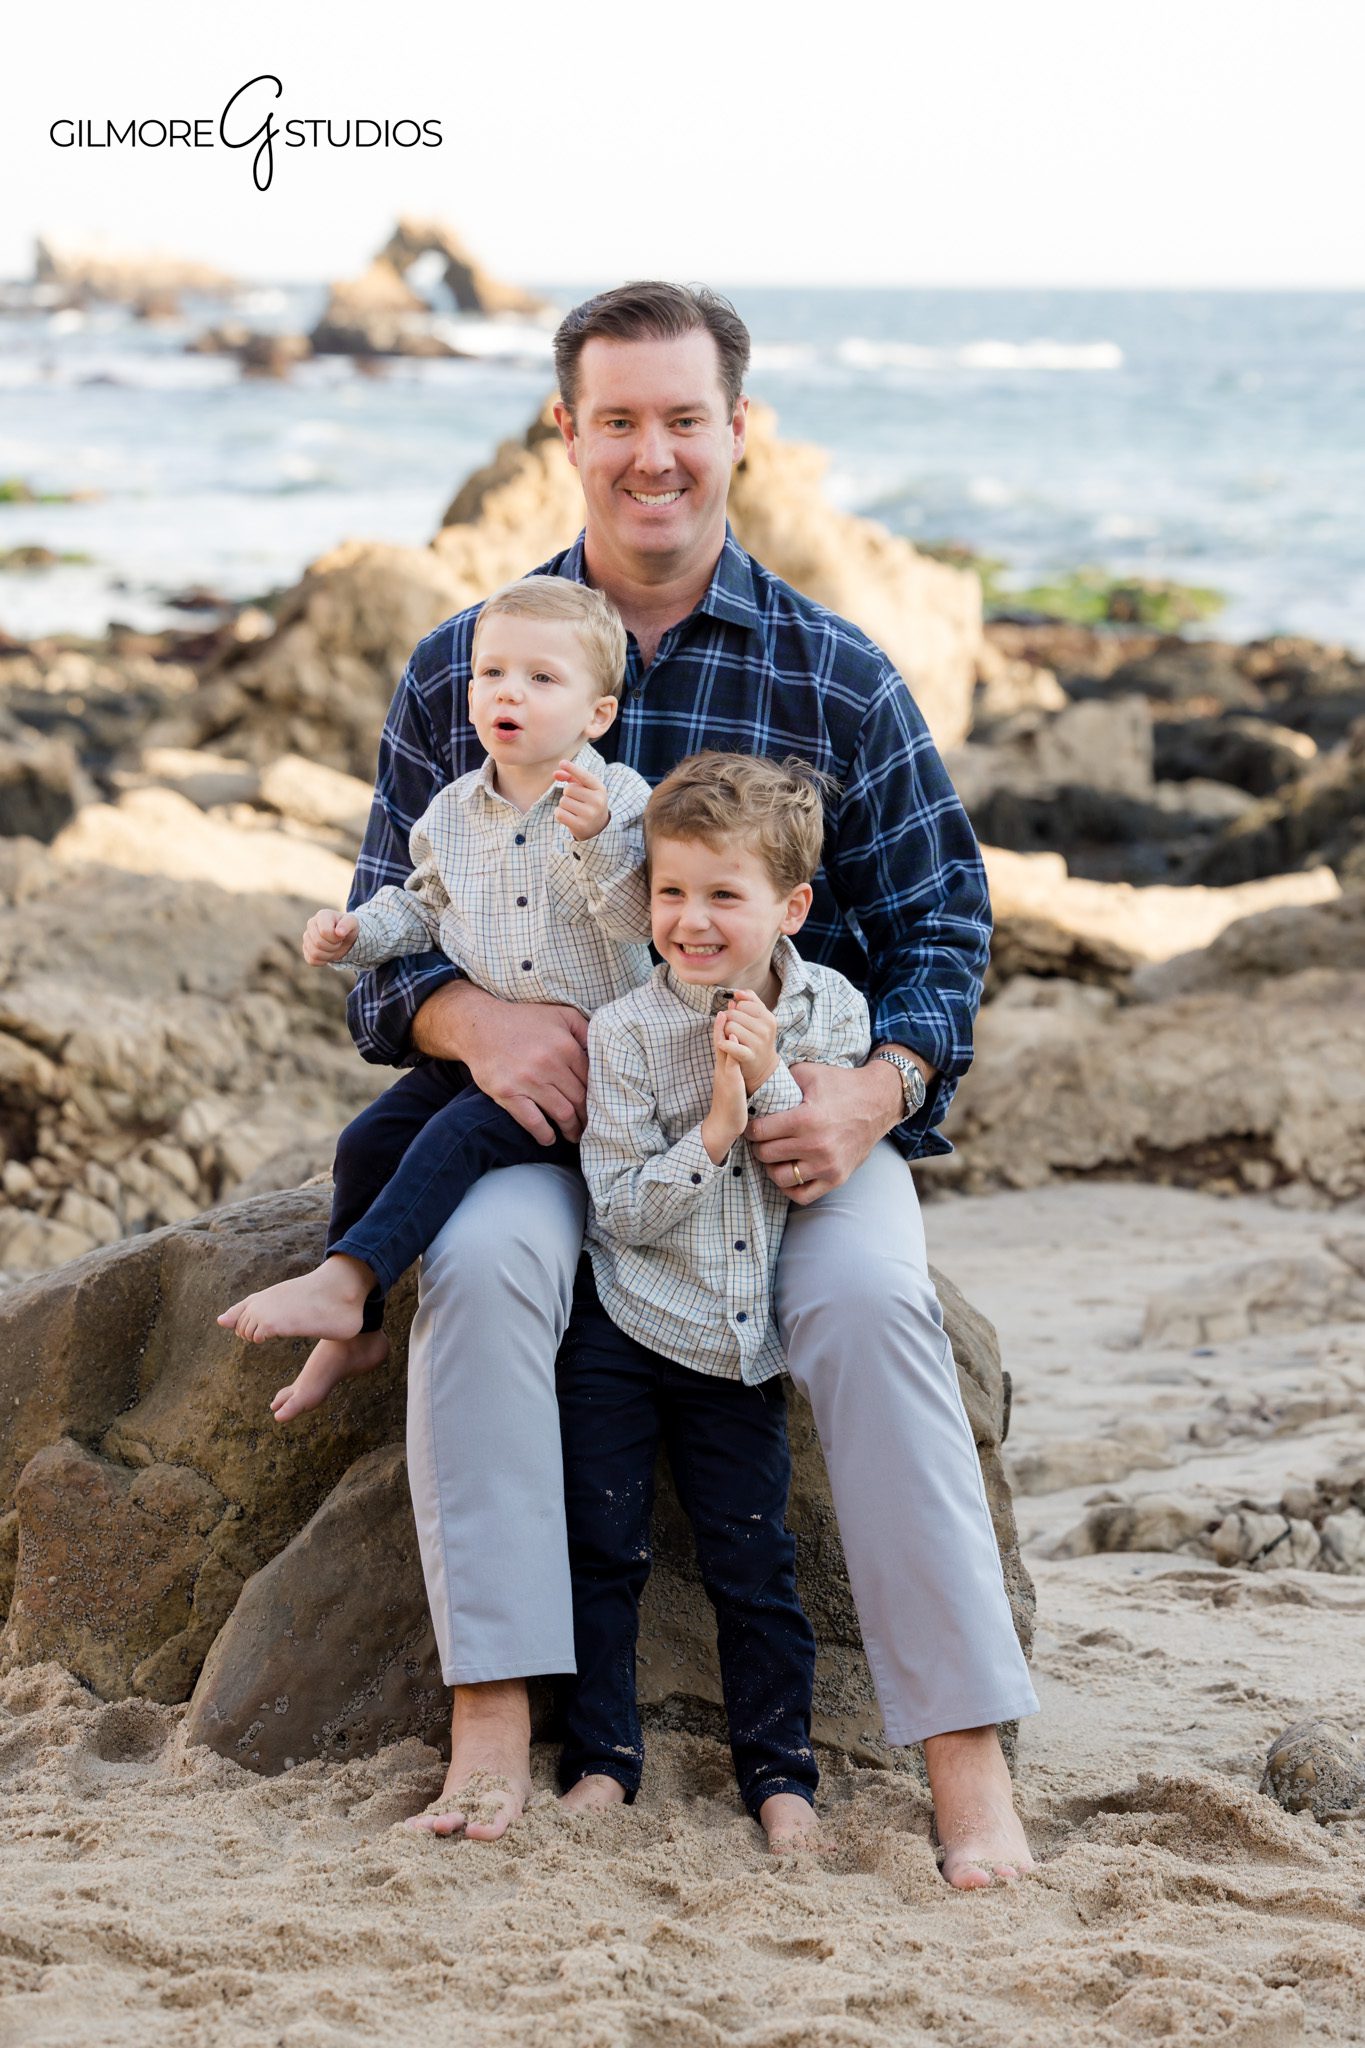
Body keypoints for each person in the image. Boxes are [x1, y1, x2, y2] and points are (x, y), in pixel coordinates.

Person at [352, 282, 1038, 1883]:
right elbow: (388, 921)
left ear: (740, 429)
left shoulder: (834, 674)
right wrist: (468, 1022)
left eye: (682, 419)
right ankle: (491, 1722)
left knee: (874, 1307)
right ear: (565, 432)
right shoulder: (471, 662)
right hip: (555, 1130)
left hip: (794, 1115)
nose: (650, 454)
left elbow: (945, 916)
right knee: (479, 1269)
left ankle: (964, 1764)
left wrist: (878, 1090)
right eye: (618, 421)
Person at [217, 577, 653, 1420]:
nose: (508, 694)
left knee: (455, 1138)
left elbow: (639, 921)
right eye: (491, 674)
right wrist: (356, 933)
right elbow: (421, 907)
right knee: (367, 1140)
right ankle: (357, 1332)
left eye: (540, 678)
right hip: (487, 1052)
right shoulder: (453, 810)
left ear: (596, 714)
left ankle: (346, 1281)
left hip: (593, 1072)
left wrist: (599, 841)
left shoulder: (619, 801)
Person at [561, 752, 871, 1853]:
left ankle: (780, 1773)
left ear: (790, 907)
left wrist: (769, 1072)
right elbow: (619, 1208)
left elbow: (809, 1165)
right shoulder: (625, 1030)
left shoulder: (830, 1007)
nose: (690, 920)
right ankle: (602, 1759)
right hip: (628, 1316)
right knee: (601, 1545)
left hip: (739, 1346)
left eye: (723, 895)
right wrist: (710, 1133)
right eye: (670, 891)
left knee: (753, 1560)